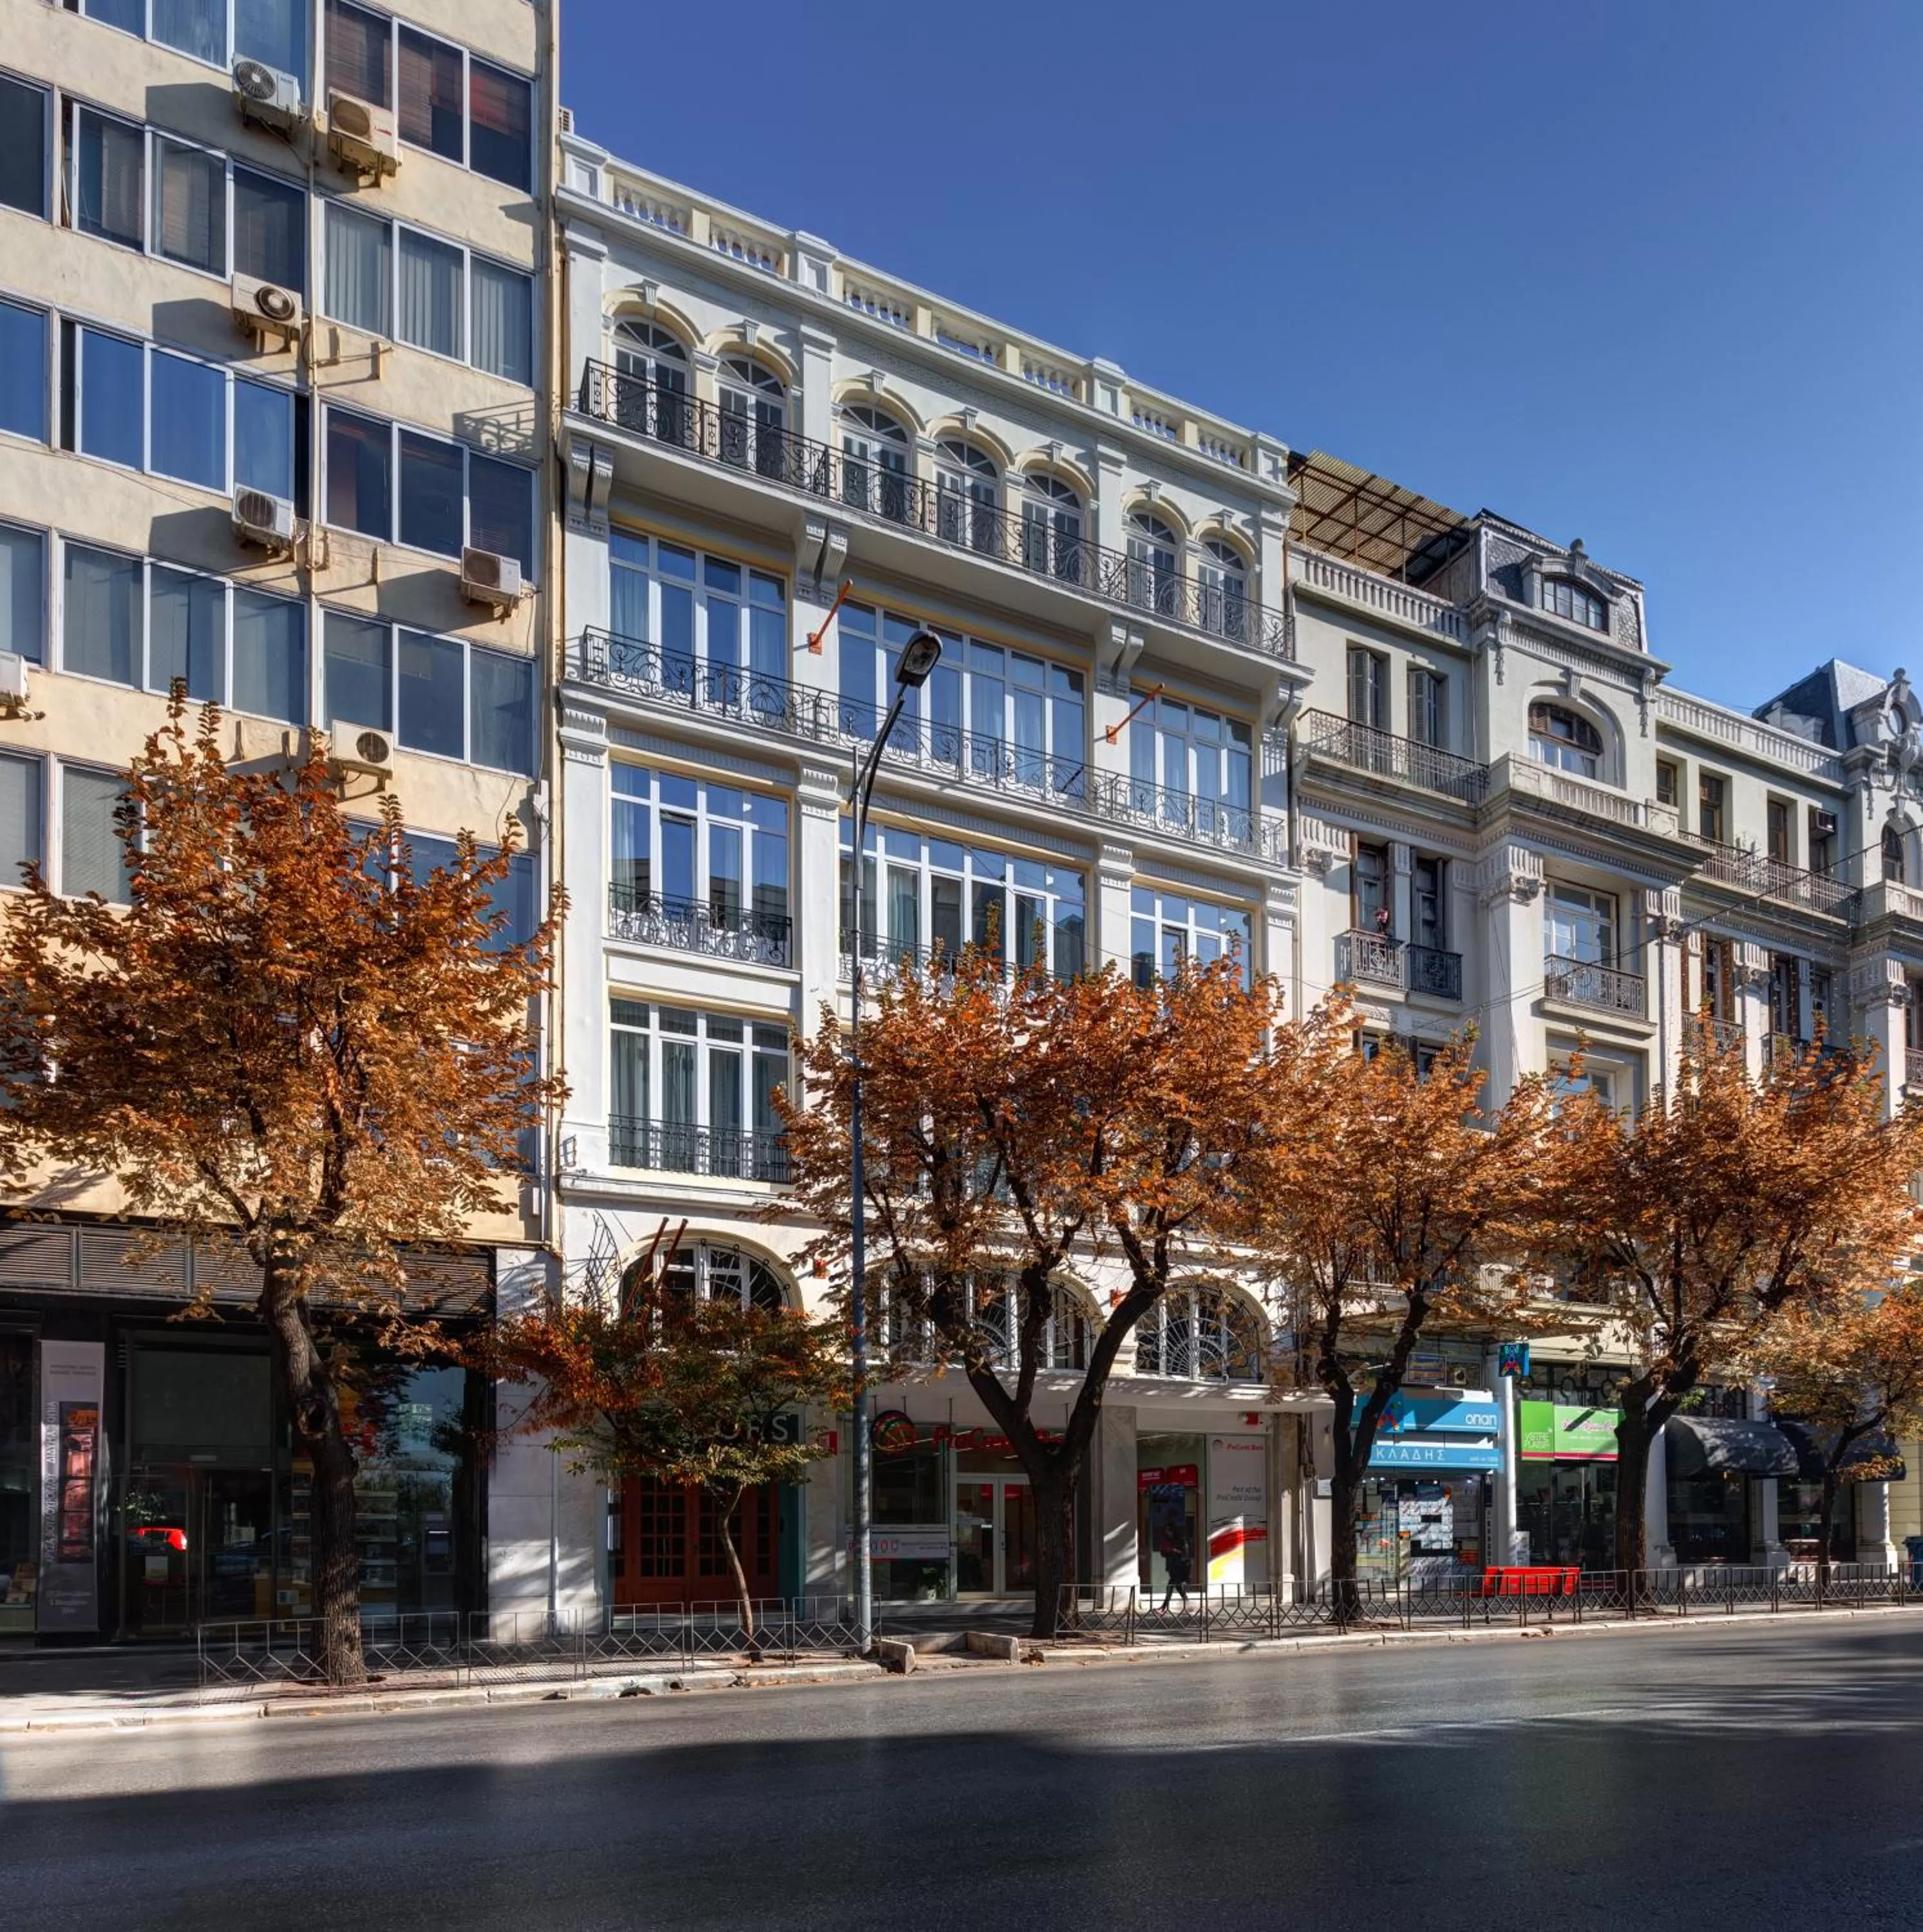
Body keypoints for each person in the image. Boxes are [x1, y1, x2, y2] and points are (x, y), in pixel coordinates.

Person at [1156, 1521, 1193, 1611]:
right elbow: (1164, 1554)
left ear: (1173, 1530)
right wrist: (1165, 1551)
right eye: (1166, 1531)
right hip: (1172, 1566)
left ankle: (1164, 1607)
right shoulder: (1167, 1540)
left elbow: (1185, 1553)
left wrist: (1174, 1550)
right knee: (1178, 1587)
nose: (1168, 1533)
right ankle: (1189, 1606)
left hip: (1180, 1567)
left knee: (1170, 1585)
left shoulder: (1181, 1539)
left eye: (1169, 1530)